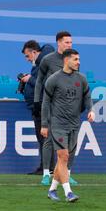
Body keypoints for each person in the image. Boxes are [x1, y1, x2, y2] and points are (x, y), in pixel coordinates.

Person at [41, 49, 94, 202]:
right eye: (75, 59)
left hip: (74, 124)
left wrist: (91, 110)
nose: (79, 62)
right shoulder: (53, 79)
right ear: (66, 60)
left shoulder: (81, 79)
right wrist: (44, 124)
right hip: (58, 124)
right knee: (63, 156)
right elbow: (45, 103)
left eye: (79, 59)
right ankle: (68, 192)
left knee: (63, 159)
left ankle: (52, 190)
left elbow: (87, 97)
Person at [33, 31, 78, 186]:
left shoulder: (73, 60)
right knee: (50, 139)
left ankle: (67, 174)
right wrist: (37, 101)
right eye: (67, 42)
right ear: (58, 43)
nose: (69, 45)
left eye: (71, 43)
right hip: (52, 106)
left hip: (70, 108)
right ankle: (46, 173)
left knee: (71, 142)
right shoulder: (47, 60)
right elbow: (39, 81)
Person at [21, 40, 55, 178]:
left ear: (34, 52)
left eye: (28, 56)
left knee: (45, 139)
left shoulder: (44, 64)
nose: (28, 60)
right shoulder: (40, 64)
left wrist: (29, 79)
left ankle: (48, 168)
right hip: (38, 106)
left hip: (42, 106)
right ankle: (45, 167)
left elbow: (44, 84)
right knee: (42, 139)